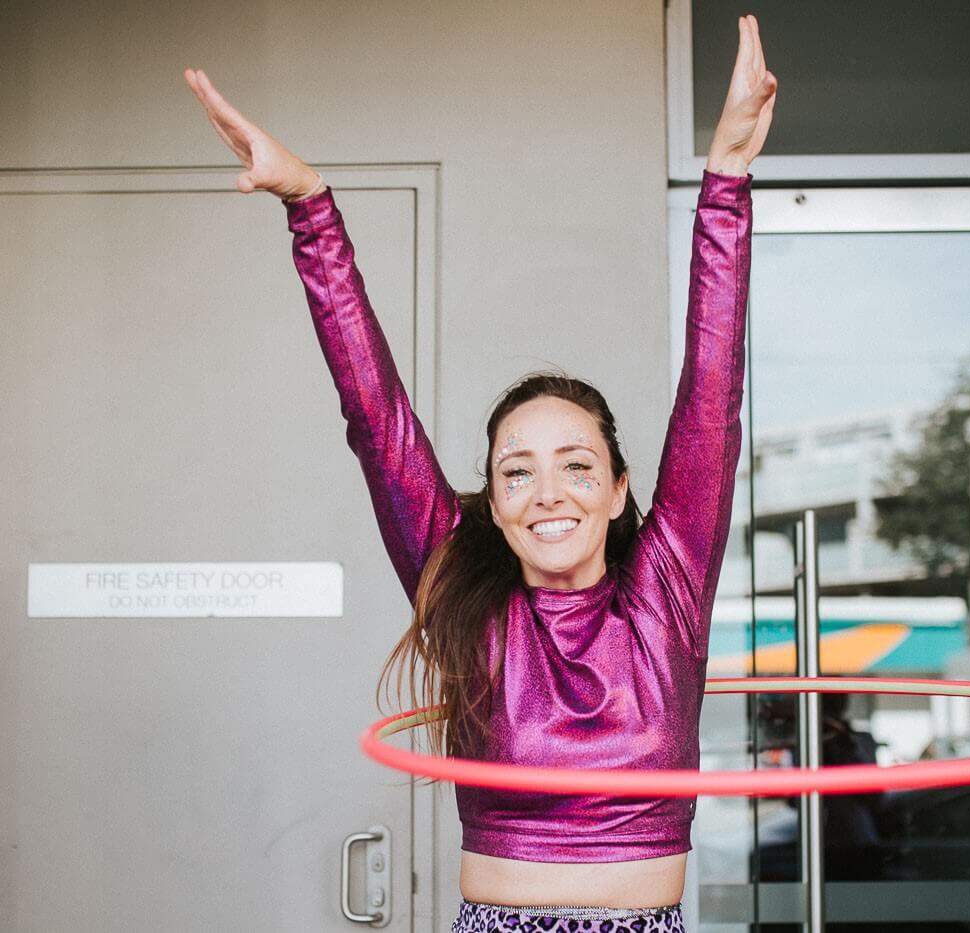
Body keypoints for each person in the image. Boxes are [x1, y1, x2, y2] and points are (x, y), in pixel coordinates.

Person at [185, 14, 776, 933]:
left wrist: (727, 178)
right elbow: (375, 417)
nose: (550, 493)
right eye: (517, 472)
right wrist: (311, 208)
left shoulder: (669, 589)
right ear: (493, 503)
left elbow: (712, 397)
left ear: (621, 490)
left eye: (577, 466)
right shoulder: (467, 589)